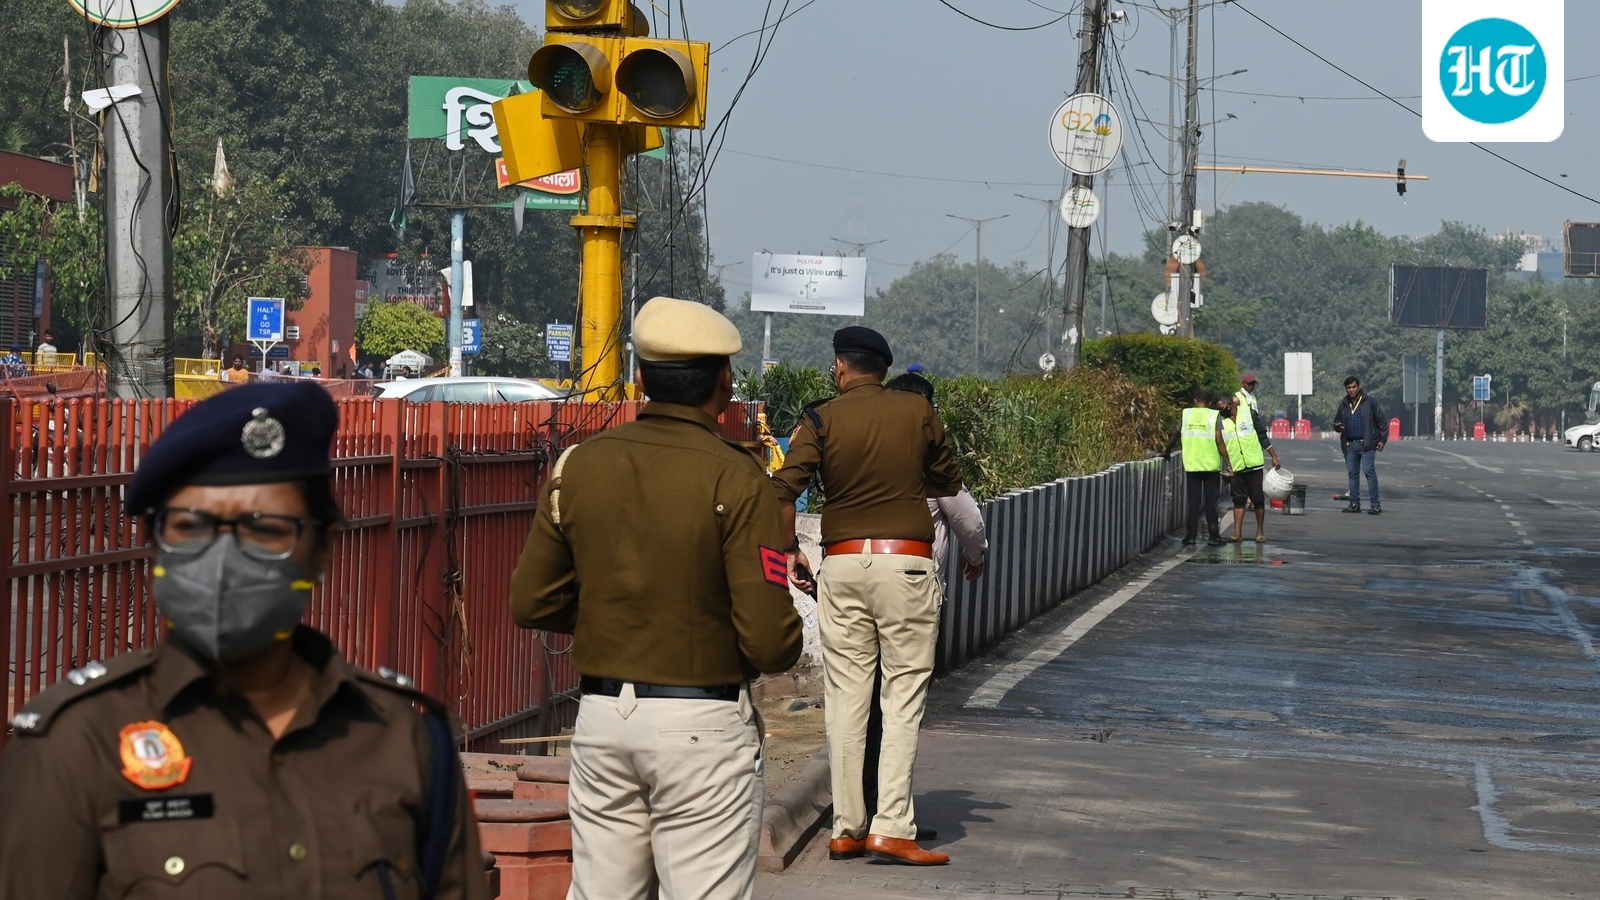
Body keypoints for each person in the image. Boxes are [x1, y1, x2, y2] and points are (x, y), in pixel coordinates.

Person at [0, 382, 489, 899]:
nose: (224, 560)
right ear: (155, 547)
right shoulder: (77, 743)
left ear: (321, 549)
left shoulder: (402, 739)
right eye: (191, 526)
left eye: (265, 529)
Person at [509, 296, 802, 900]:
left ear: (640, 379)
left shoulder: (577, 466)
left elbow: (532, 602)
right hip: (701, 725)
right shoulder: (738, 476)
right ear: (725, 382)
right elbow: (771, 643)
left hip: (600, 721)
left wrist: (614, 618)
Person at [772, 326, 965, 866]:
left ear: (840, 367)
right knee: (901, 697)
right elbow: (947, 480)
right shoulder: (917, 412)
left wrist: (791, 551)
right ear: (884, 369)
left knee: (847, 697)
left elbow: (783, 491)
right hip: (904, 564)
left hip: (841, 563)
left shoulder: (820, 417)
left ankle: (847, 827)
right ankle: (893, 827)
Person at [1163, 388, 1233, 547]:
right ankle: (1213, 536)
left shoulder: (1186, 415)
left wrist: (1166, 451)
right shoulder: (1214, 416)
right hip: (1210, 466)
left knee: (1193, 502)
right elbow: (1219, 441)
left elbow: (1175, 435)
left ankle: (1191, 536)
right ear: (1209, 403)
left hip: (1192, 465)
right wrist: (1228, 462)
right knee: (1211, 502)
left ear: (1195, 401)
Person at [1219, 394, 1282, 542]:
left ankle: (1260, 531)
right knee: (1238, 500)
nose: (1220, 412)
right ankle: (1237, 533)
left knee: (1258, 499)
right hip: (1237, 466)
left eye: (1221, 408)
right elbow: (1220, 443)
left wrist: (1273, 455)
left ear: (1229, 404)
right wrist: (1228, 464)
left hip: (1254, 464)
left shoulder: (1249, 414)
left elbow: (1262, 436)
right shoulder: (1222, 421)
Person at [1333, 375, 1385, 514]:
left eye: (1354, 387)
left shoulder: (1370, 402)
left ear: (1359, 387)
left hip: (1367, 443)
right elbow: (1336, 421)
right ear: (1346, 389)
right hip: (1350, 445)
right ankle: (1354, 503)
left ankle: (1375, 504)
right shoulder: (1344, 404)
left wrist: (1381, 440)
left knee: (1369, 471)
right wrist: (1338, 427)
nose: (1351, 390)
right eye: (1349, 388)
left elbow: (1381, 422)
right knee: (1352, 474)